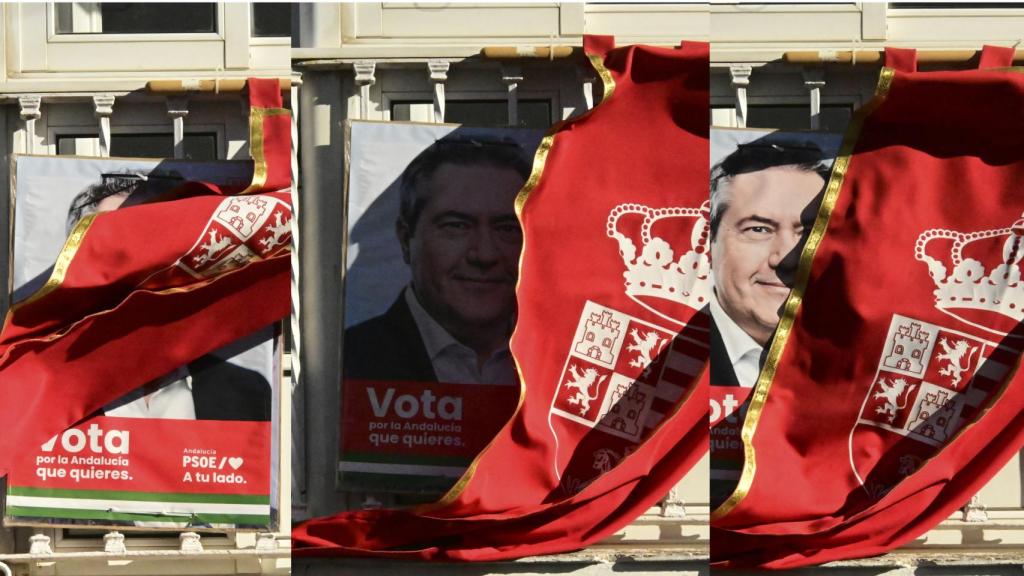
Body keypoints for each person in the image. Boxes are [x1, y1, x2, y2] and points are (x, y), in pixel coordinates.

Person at [66, 171, 272, 421]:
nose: (137, 266)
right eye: (113, 249)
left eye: (154, 242)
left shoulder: (245, 392)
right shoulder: (43, 396)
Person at [344, 137, 531, 385]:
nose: (485, 255)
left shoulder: (562, 358)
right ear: (405, 238)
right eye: (457, 226)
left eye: (507, 229)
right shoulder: (353, 359)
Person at [708, 137, 831, 388]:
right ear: (710, 241)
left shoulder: (859, 359)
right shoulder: (670, 353)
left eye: (808, 232)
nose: (787, 258)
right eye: (759, 229)